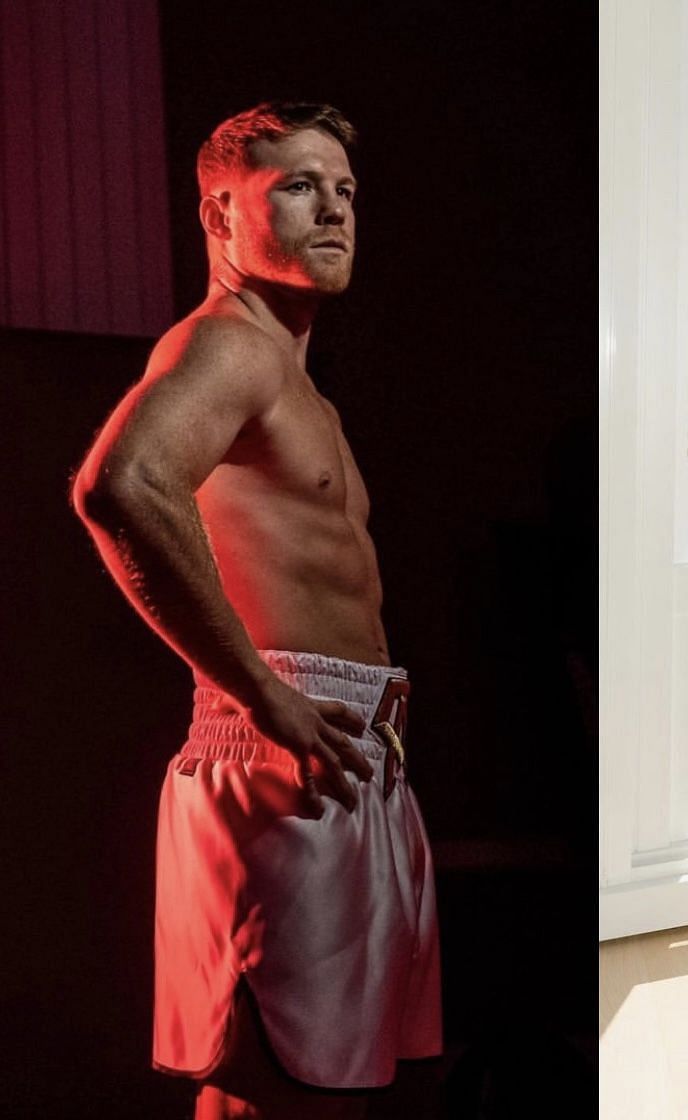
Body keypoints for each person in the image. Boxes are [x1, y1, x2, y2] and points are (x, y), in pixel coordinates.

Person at [72, 102, 440, 1120]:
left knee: (335, 1090)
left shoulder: (299, 384)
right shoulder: (229, 348)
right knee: (267, 1094)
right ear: (220, 215)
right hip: (273, 750)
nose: (332, 209)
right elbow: (121, 486)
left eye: (345, 190)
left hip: (353, 753)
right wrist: (263, 693)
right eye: (295, 186)